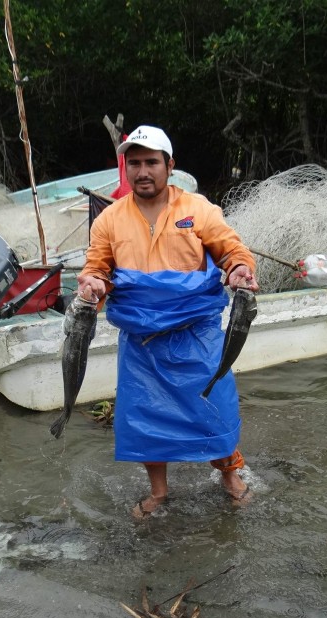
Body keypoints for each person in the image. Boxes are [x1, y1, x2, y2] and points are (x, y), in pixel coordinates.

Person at [77, 125, 259, 518]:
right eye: (135, 163)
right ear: (126, 167)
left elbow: (231, 250)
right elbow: (98, 267)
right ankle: (159, 492)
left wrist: (240, 269)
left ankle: (229, 475)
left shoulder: (199, 209)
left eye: (152, 162)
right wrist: (92, 282)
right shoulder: (109, 219)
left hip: (198, 334)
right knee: (144, 418)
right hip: (142, 342)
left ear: (170, 165)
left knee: (216, 408)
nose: (143, 171)